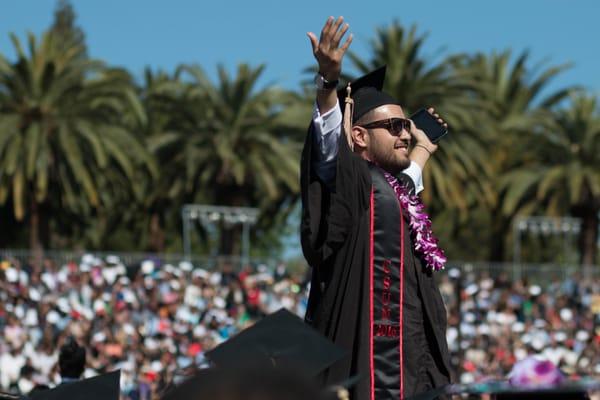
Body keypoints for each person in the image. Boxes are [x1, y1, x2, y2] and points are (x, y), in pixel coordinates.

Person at [300, 16, 452, 399]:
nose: (405, 132)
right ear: (359, 136)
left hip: (411, 360)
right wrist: (328, 84)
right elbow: (329, 148)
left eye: (406, 124)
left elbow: (405, 183)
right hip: (365, 359)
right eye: (395, 126)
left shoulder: (393, 191)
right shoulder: (351, 181)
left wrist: (421, 149)